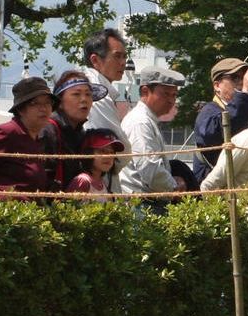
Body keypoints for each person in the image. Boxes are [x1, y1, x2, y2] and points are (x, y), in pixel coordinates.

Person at [0, 77, 57, 199]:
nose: (44, 108)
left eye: (47, 102)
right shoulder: (5, 133)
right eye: (35, 103)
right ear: (21, 109)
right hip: (4, 213)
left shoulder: (37, 140)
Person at [118, 67, 188, 197]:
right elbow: (149, 168)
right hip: (143, 204)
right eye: (166, 94)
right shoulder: (140, 122)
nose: (171, 101)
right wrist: (174, 187)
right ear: (145, 91)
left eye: (174, 95)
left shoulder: (147, 120)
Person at [191, 57, 248, 182]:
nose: (241, 82)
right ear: (217, 86)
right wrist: (244, 94)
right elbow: (225, 130)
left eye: (243, 77)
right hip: (212, 190)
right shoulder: (209, 111)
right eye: (235, 78)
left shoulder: (245, 109)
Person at [39, 70, 110, 190]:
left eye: (88, 94)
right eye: (76, 94)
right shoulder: (48, 131)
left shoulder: (81, 133)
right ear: (59, 102)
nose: (84, 99)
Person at [83, 28, 130, 142]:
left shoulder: (89, 84)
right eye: (117, 56)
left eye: (124, 56)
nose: (123, 62)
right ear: (95, 60)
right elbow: (118, 146)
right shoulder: (96, 94)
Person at [66, 129, 123, 199]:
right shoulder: (83, 181)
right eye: (103, 151)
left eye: (112, 152)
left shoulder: (102, 183)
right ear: (88, 153)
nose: (108, 156)